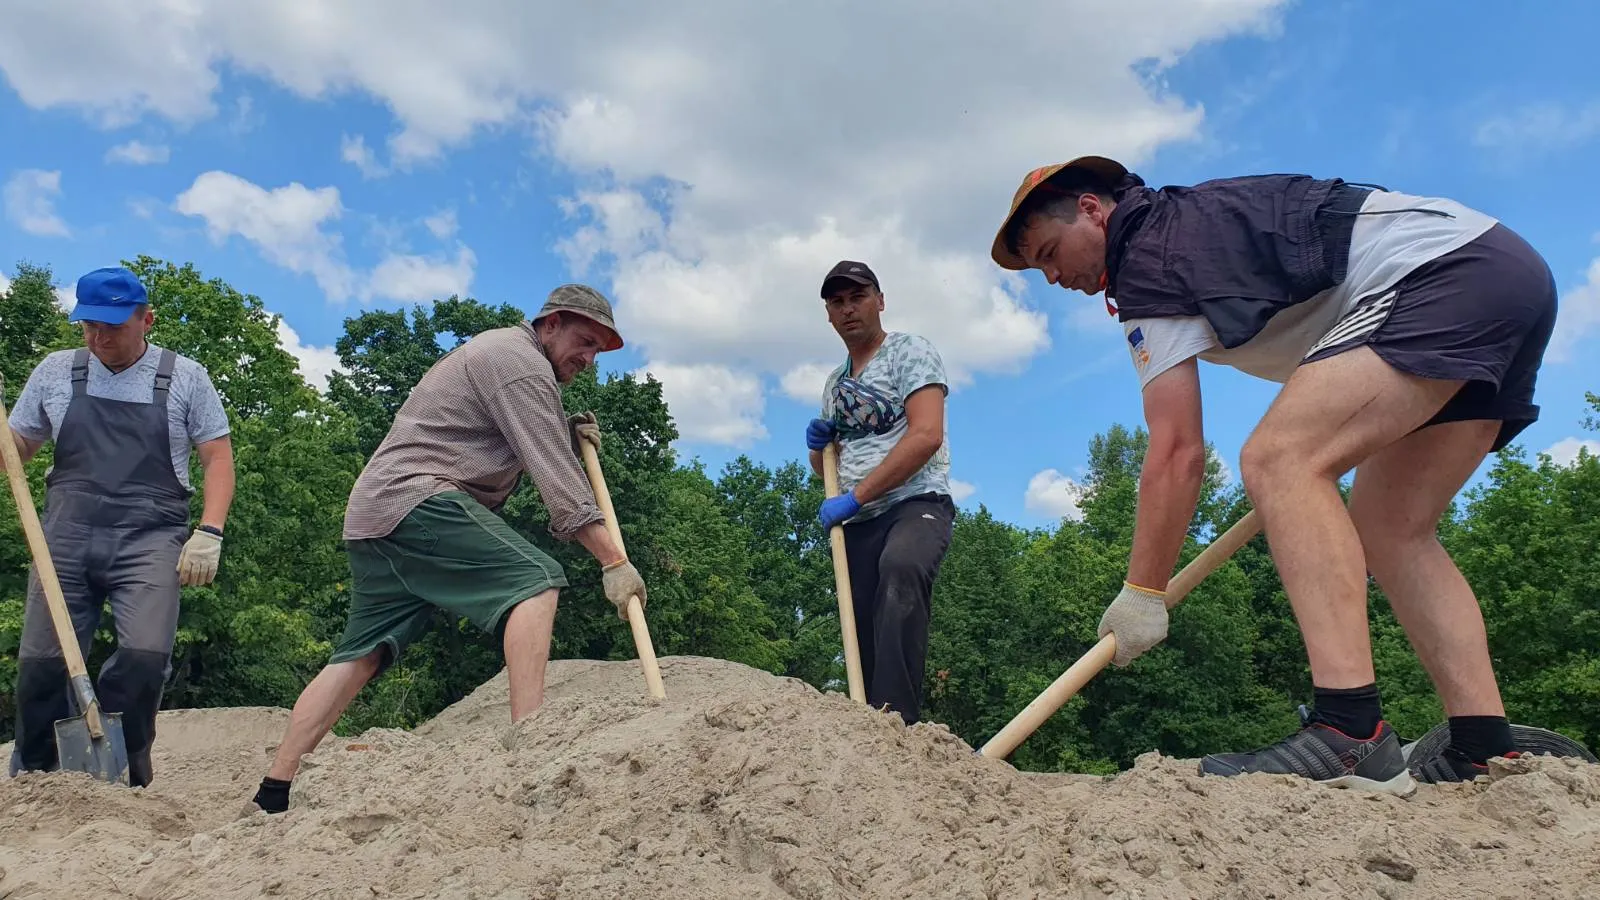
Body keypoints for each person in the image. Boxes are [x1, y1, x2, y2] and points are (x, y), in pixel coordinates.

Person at [991, 156, 1559, 795]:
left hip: (1442, 273)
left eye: (1048, 251)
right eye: (1038, 268)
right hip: (1506, 272)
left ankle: (1349, 731)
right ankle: (1482, 747)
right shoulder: (1179, 231)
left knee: (1280, 458)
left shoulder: (1146, 252)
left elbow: (1178, 449)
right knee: (1393, 528)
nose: (1053, 276)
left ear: (1093, 210)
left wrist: (1144, 592)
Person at [250, 284, 647, 814]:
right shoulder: (518, 363)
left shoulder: (509, 359)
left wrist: (561, 425)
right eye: (585, 340)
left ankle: (273, 792)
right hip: (417, 497)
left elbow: (519, 432)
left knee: (362, 653)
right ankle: (530, 745)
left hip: (376, 512)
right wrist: (613, 560)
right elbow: (557, 479)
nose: (589, 358)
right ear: (550, 324)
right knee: (536, 580)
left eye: (599, 349)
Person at [5, 266, 235, 788]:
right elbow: (19, 449)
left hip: (150, 537)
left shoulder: (184, 377)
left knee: (145, 658)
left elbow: (217, 458)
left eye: (112, 325)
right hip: (64, 536)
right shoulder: (55, 372)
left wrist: (210, 530)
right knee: (40, 665)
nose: (100, 337)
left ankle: (124, 772)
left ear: (146, 319)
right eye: (89, 325)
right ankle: (36, 776)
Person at [805, 260, 955, 727]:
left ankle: (898, 724)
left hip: (916, 503)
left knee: (901, 568)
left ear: (880, 301)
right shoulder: (835, 385)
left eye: (858, 297)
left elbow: (927, 433)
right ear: (829, 314)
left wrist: (856, 497)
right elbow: (831, 468)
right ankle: (868, 727)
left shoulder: (909, 352)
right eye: (837, 302)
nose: (848, 309)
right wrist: (816, 450)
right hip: (860, 519)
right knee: (862, 621)